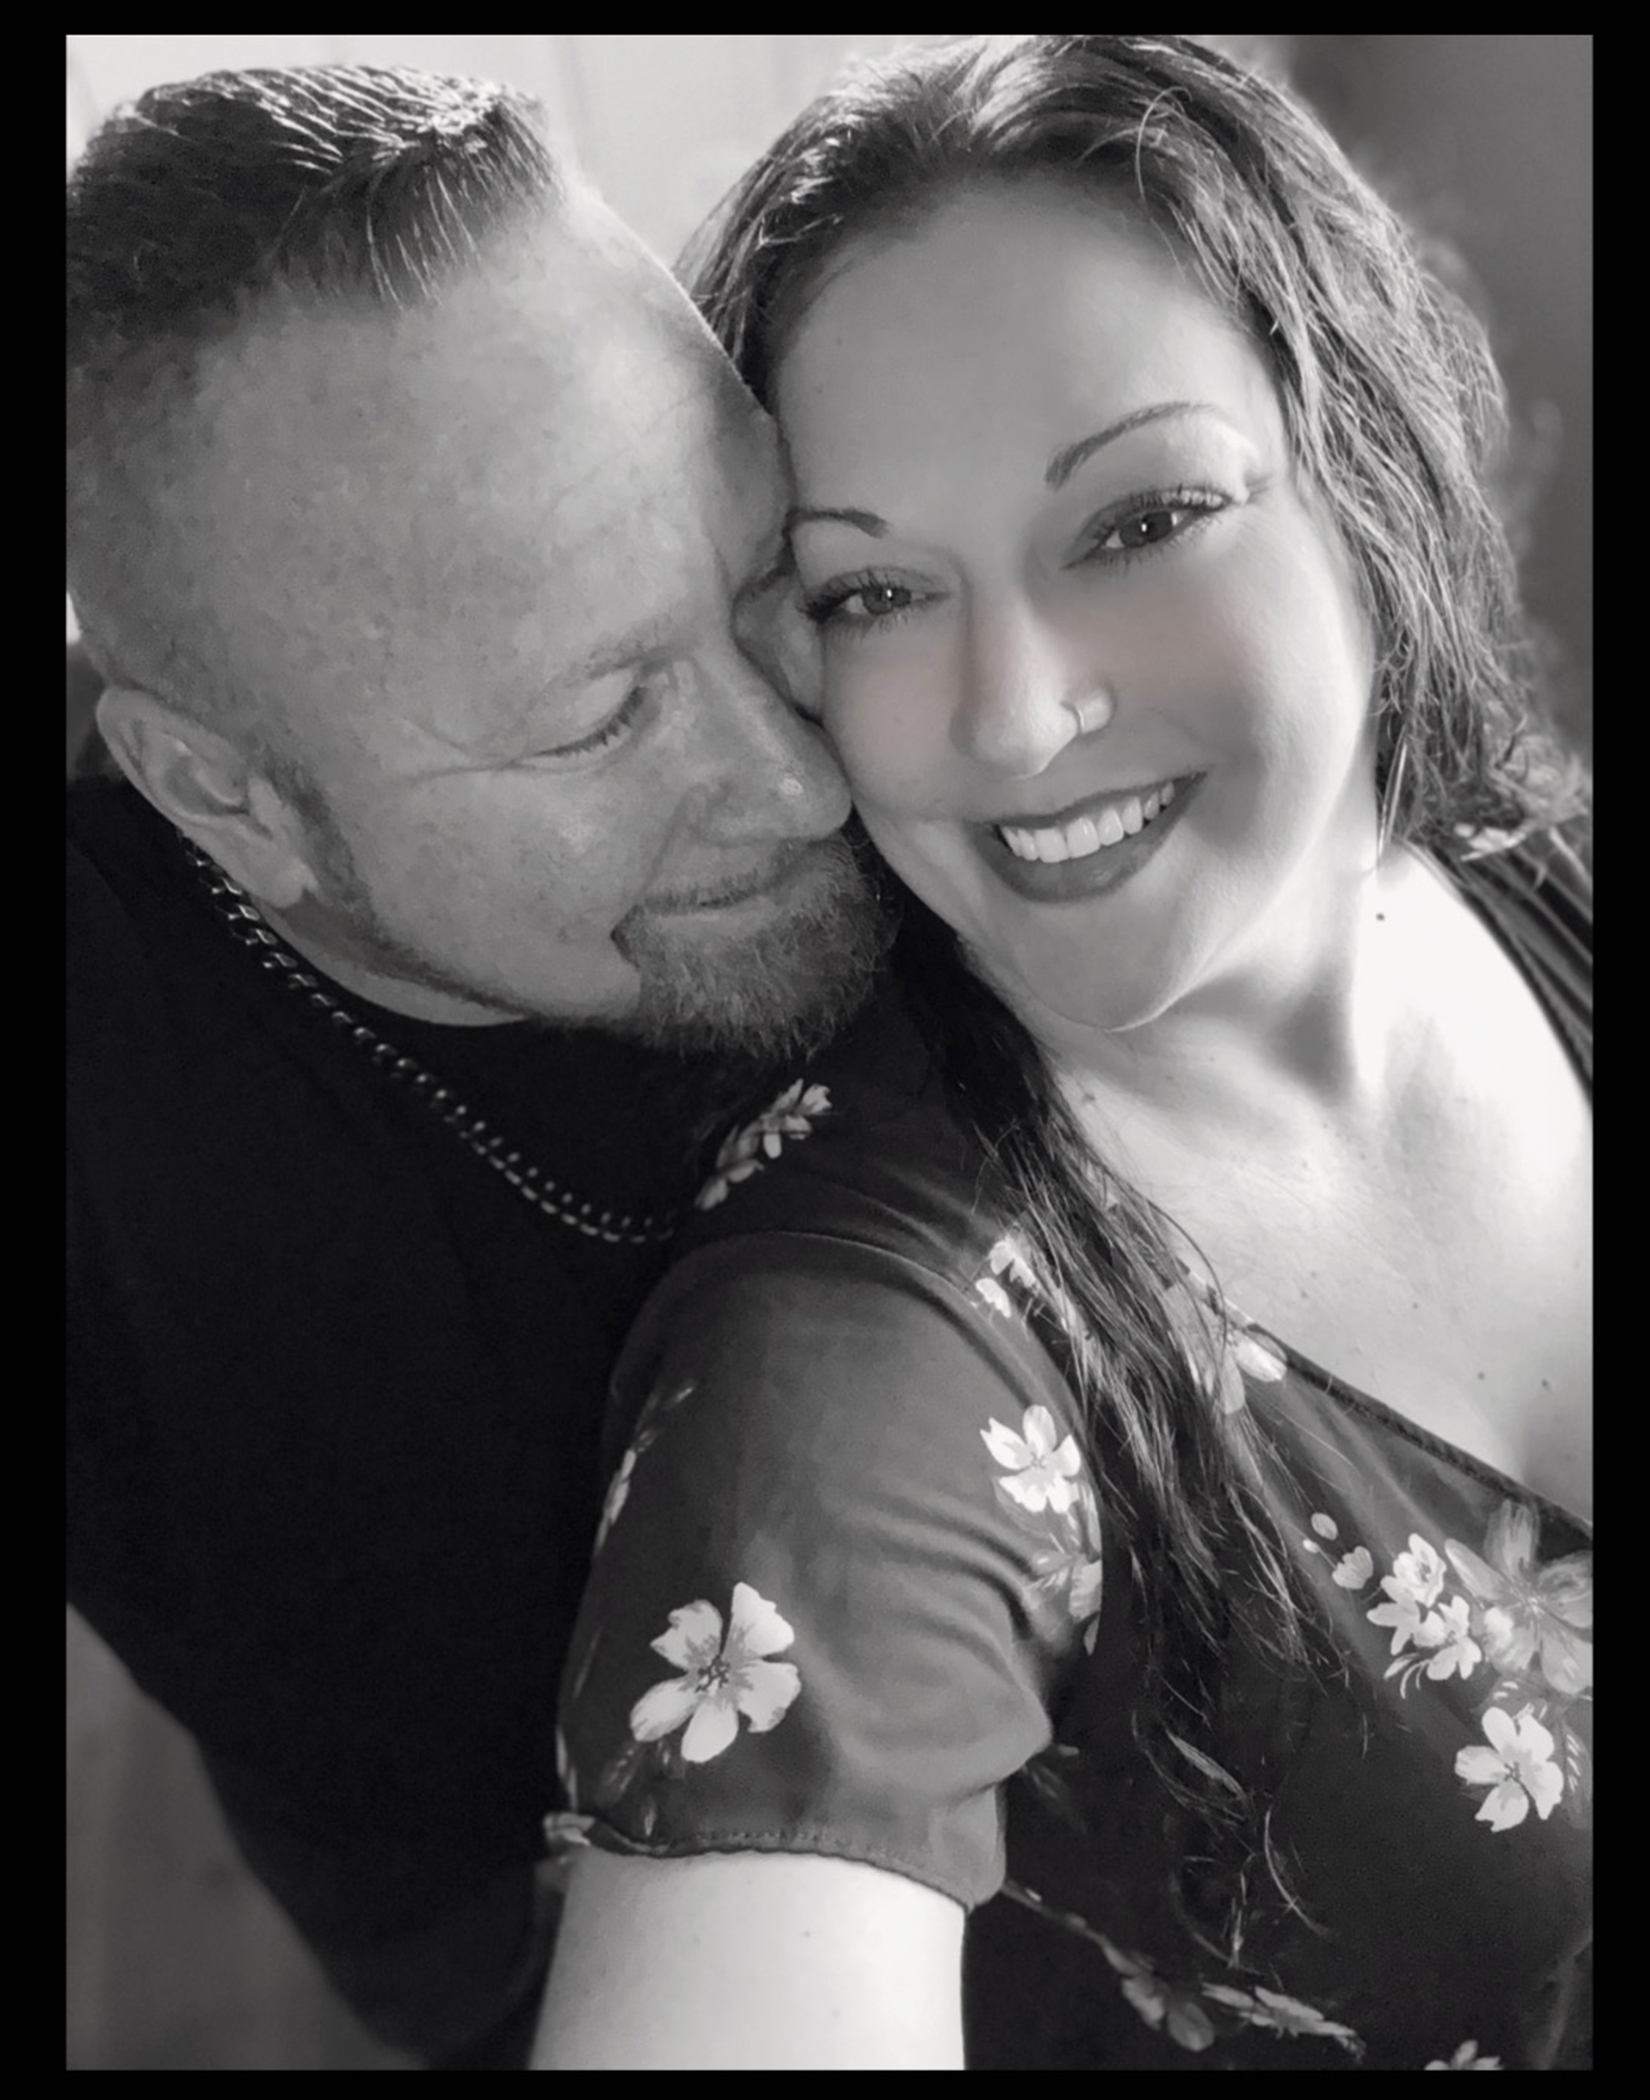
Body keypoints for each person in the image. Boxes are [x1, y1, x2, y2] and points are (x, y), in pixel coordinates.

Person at [535, 34, 1592, 2072]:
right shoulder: (861, 1355)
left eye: (1139, 519)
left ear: (1360, 456)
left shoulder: (1533, 872)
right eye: (875, 592)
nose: (1012, 718)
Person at [66, 65, 888, 2069]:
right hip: (497, 1924)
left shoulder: (920, 589)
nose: (803, 779)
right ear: (226, 800)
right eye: (599, 721)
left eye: (767, 580)